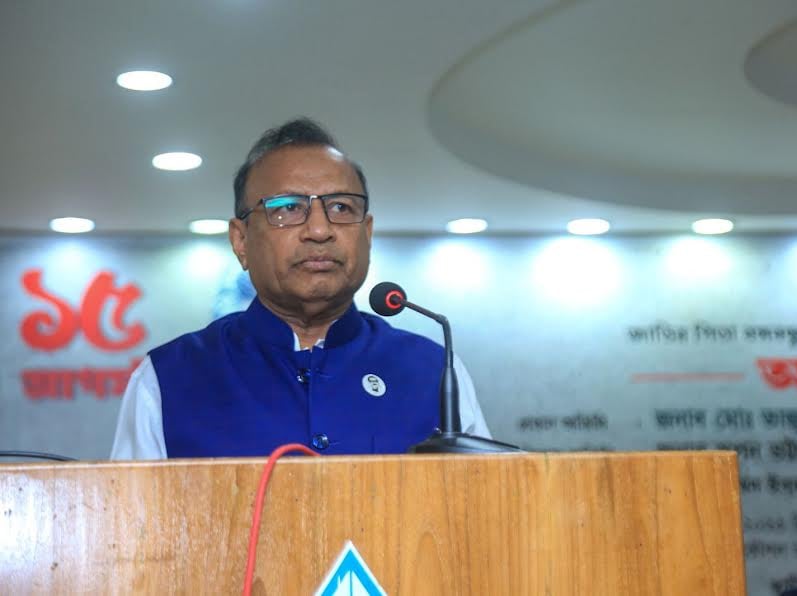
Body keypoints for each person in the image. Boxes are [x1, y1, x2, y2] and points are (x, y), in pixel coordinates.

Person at [111, 118, 490, 459]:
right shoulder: (167, 379)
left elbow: (486, 504)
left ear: (367, 233)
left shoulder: (435, 371)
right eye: (288, 208)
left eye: (341, 208)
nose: (320, 230)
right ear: (241, 241)